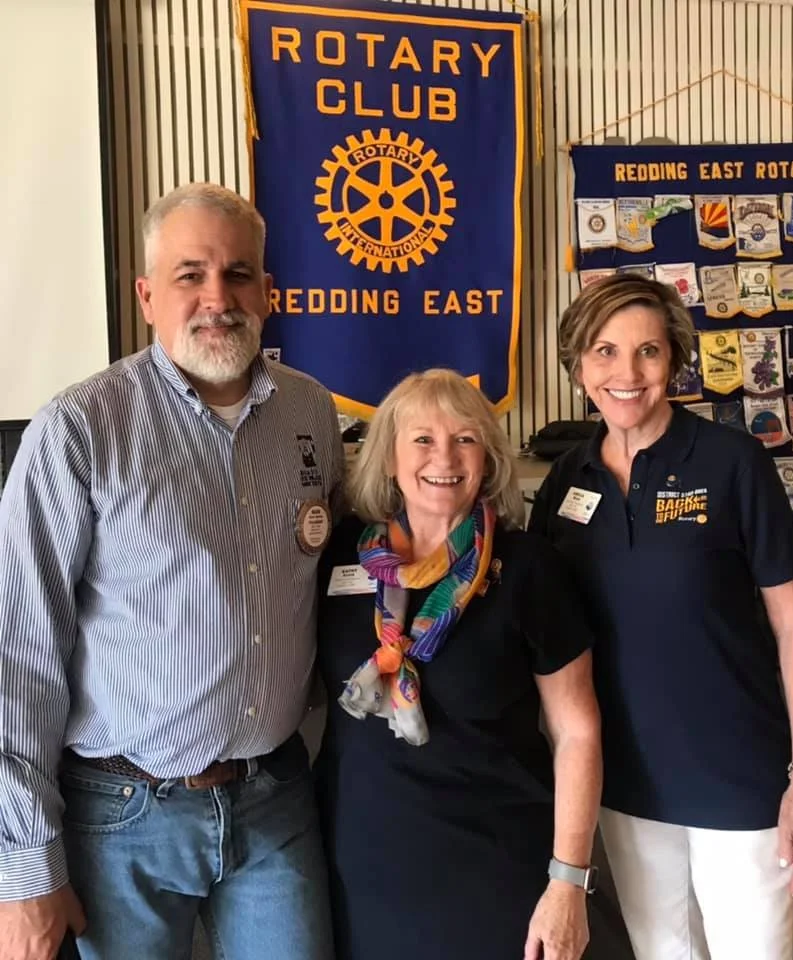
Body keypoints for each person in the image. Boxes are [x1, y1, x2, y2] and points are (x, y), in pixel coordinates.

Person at [0, 183, 344, 960]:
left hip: (275, 802)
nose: (217, 298)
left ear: (269, 291)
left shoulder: (310, 413)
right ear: (147, 295)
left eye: (238, 274)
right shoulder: (79, 430)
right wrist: (22, 871)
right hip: (121, 816)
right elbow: (17, 661)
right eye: (190, 274)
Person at [529, 274, 793, 960]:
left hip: (742, 785)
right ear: (577, 364)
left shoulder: (732, 463)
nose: (626, 374)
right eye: (603, 351)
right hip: (626, 789)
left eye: (648, 352)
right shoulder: (566, 482)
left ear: (675, 359)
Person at [314, 369, 602, 960]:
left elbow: (578, 732)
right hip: (361, 869)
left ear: (488, 459)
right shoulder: (340, 558)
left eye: (465, 438)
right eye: (421, 439)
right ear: (389, 459)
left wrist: (568, 881)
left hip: (495, 869)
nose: (443, 456)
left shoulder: (529, 569)